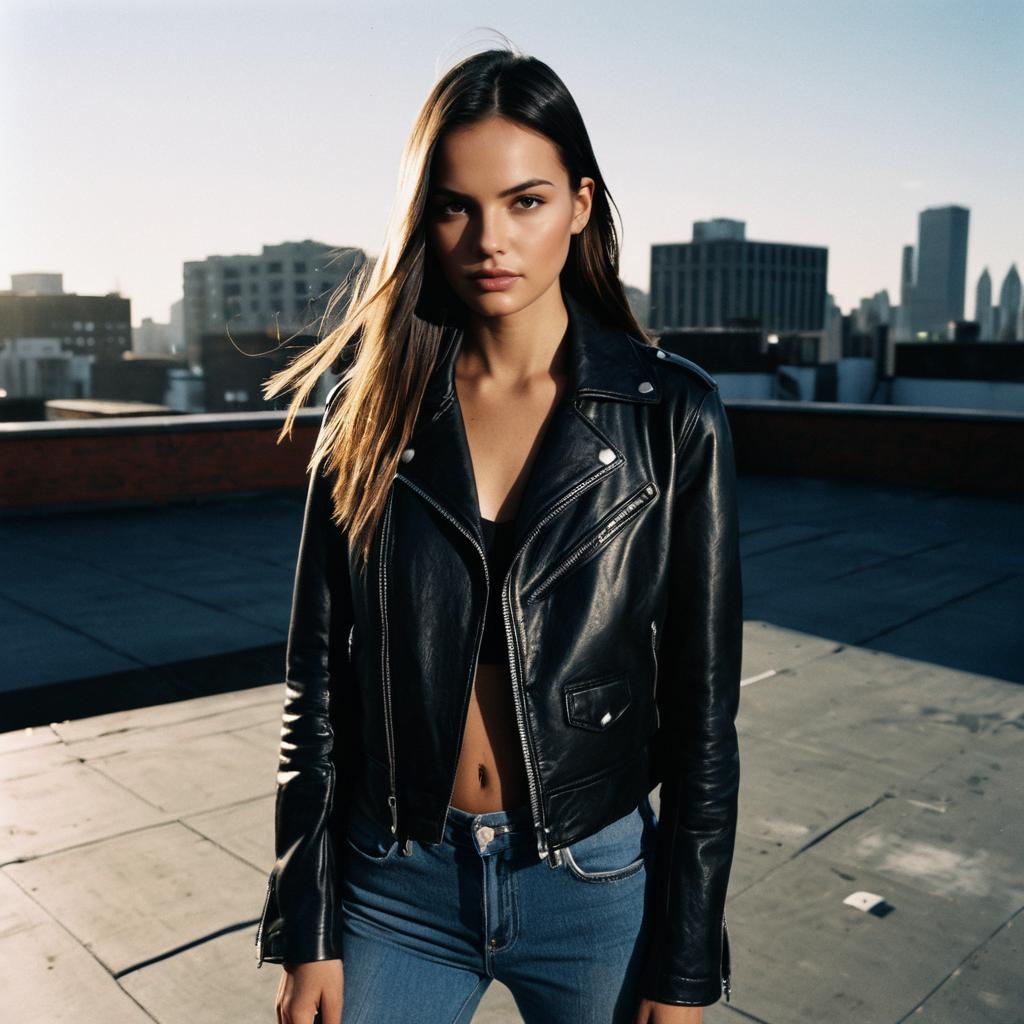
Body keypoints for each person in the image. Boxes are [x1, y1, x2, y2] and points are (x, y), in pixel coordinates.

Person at [254, 43, 742, 1024]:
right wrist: (308, 925)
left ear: (581, 204)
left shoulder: (670, 415)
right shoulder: (369, 413)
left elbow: (702, 719)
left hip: (595, 881)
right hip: (397, 882)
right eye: (455, 205)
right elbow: (317, 688)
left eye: (525, 200)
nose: (490, 238)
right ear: (423, 218)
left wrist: (683, 964)